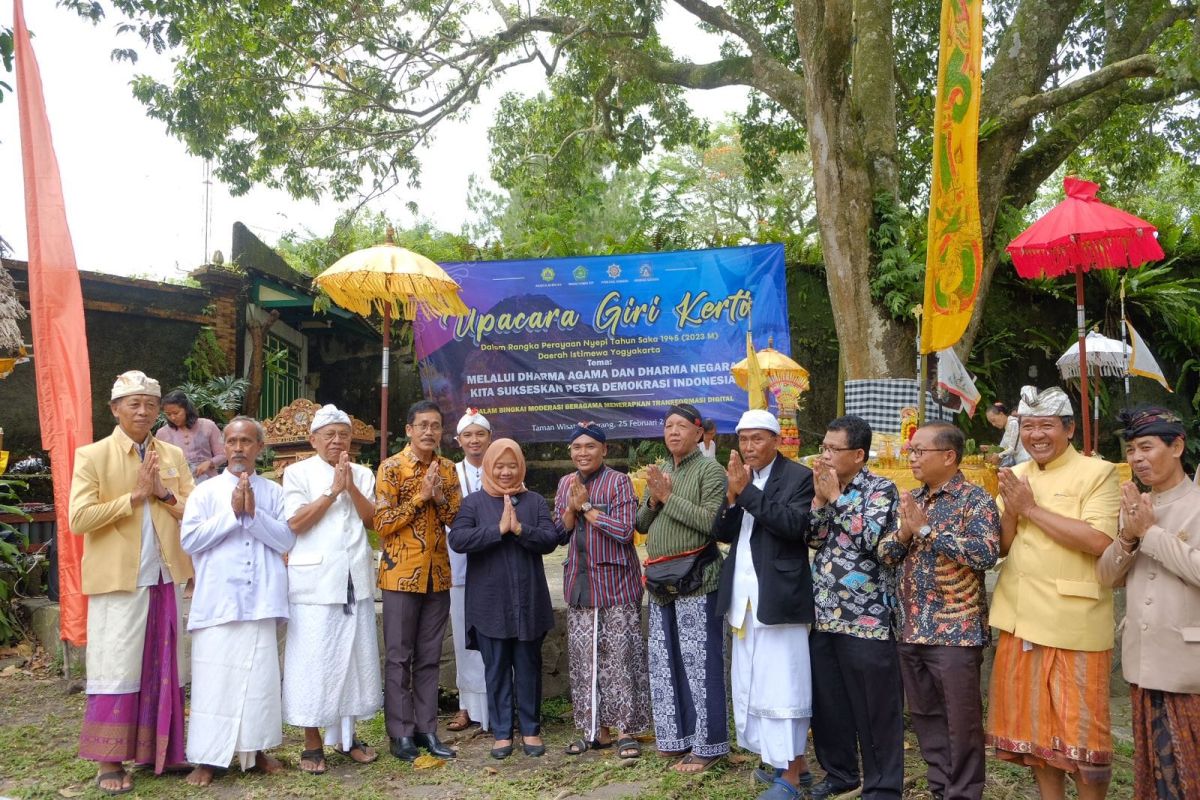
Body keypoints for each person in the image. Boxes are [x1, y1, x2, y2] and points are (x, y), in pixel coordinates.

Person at [987, 385, 1120, 800]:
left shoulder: (1099, 473)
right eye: (1028, 426)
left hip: (1073, 622)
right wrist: (1012, 511)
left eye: (1046, 426)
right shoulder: (1017, 476)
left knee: (1084, 740)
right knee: (1034, 735)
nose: (1036, 435)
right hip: (1019, 617)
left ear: (1070, 430)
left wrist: (1029, 510)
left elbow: (1100, 540)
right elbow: (1002, 546)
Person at [70, 370, 194, 795]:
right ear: (115, 409)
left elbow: (195, 511)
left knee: (168, 665)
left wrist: (162, 493)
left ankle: (163, 751)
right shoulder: (93, 455)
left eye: (150, 404)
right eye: (133, 403)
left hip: (165, 575)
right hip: (118, 578)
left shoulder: (172, 456)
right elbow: (78, 518)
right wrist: (134, 498)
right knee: (116, 666)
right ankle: (109, 760)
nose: (143, 411)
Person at [878, 422, 1000, 800]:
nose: (911, 458)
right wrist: (904, 532)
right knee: (927, 717)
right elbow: (885, 555)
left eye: (919, 451)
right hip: (911, 629)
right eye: (910, 451)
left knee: (961, 722)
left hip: (955, 632)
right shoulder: (912, 499)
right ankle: (940, 788)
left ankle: (963, 793)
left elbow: (984, 554)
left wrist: (928, 531)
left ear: (948, 456)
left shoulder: (974, 501)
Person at [180, 416, 295, 787]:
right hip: (218, 601)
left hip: (260, 599)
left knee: (260, 679)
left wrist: (252, 513)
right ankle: (208, 758)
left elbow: (286, 541)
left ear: (259, 448)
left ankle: (256, 750)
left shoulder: (273, 492)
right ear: (223, 447)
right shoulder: (205, 492)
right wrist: (232, 514)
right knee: (214, 680)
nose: (238, 448)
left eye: (247, 441)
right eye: (232, 442)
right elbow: (191, 542)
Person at [1097, 406, 1200, 800]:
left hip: (1188, 668)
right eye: (1130, 450)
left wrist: (1151, 534)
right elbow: (1107, 577)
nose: (1136, 459)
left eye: (1146, 447)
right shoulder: (1136, 506)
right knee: (1156, 780)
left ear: (1177, 447)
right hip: (1145, 663)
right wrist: (1127, 537)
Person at [712, 409, 816, 800]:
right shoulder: (741, 478)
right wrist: (731, 496)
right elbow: (721, 533)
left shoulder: (798, 477)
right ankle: (792, 765)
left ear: (776, 441)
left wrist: (747, 493)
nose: (749, 447)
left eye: (757, 439)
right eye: (743, 439)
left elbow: (793, 527)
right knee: (753, 683)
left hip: (780, 598)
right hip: (744, 600)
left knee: (784, 686)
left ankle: (788, 778)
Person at [281, 404, 383, 774]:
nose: (338, 441)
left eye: (344, 434)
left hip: (355, 577)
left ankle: (346, 738)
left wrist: (350, 486)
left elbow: (374, 521)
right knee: (313, 662)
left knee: (354, 660)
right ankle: (311, 742)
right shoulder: (296, 472)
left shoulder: (362, 473)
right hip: (315, 584)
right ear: (313, 440)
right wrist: (331, 491)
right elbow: (295, 523)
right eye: (330, 435)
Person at [806, 414, 904, 800]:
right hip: (825, 614)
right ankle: (840, 773)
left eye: (833, 449)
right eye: (824, 447)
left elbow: (872, 539)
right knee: (829, 703)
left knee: (875, 708)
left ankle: (882, 786)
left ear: (859, 454)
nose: (825, 455)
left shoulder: (881, 489)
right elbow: (813, 538)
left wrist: (835, 499)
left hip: (868, 618)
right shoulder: (826, 485)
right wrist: (818, 500)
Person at [448, 438, 559, 759]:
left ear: (521, 466)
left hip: (528, 601)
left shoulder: (534, 501)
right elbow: (458, 538)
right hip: (489, 604)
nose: (507, 471)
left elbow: (550, 538)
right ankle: (500, 732)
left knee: (527, 667)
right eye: (500, 466)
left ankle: (530, 729)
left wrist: (521, 529)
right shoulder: (473, 503)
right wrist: (497, 530)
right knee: (495, 668)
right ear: (488, 467)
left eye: (512, 465)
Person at [636, 403, 729, 773]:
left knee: (700, 664)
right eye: (667, 426)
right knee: (665, 664)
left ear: (699, 432)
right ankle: (676, 739)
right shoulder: (661, 470)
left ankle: (709, 745)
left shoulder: (711, 470)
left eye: (680, 426)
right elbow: (642, 522)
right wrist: (654, 496)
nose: (672, 432)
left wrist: (668, 498)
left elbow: (710, 524)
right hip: (661, 583)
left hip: (697, 581)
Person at [553, 422, 648, 760]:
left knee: (620, 658)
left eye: (590, 446)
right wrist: (570, 508)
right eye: (576, 447)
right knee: (584, 662)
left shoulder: (619, 482)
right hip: (579, 584)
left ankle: (626, 732)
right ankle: (595, 731)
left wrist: (588, 510)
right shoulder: (566, 483)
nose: (583, 452)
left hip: (616, 585)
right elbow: (558, 534)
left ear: (604, 450)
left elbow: (625, 532)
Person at [374, 400, 461, 761]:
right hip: (400, 575)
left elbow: (457, 520)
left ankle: (427, 730)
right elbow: (381, 523)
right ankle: (400, 734)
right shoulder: (391, 468)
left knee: (429, 657)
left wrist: (438, 496)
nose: (429, 431)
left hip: (437, 575)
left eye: (436, 426)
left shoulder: (448, 468)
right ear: (408, 430)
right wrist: (419, 499)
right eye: (422, 425)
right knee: (398, 657)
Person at [446, 408, 492, 733]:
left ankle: (496, 703)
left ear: (490, 437)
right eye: (468, 435)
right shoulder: (449, 473)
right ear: (458, 440)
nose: (474, 440)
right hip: (459, 563)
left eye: (480, 434)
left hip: (494, 562)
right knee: (463, 637)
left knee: (494, 633)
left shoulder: (502, 467)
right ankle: (465, 705)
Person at [155, 389, 226, 482]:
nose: (172, 417)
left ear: (186, 409)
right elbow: (159, 462)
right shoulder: (162, 433)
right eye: (168, 414)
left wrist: (210, 463)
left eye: (176, 413)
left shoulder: (208, 425)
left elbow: (223, 454)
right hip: (178, 483)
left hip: (208, 481)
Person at [985, 401, 1028, 467]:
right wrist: (989, 448)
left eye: (993, 420)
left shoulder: (1013, 423)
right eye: (991, 423)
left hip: (1025, 460)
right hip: (1019, 463)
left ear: (1001, 414)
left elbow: (1012, 449)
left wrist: (999, 456)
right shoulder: (1007, 427)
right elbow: (1002, 447)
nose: (993, 424)